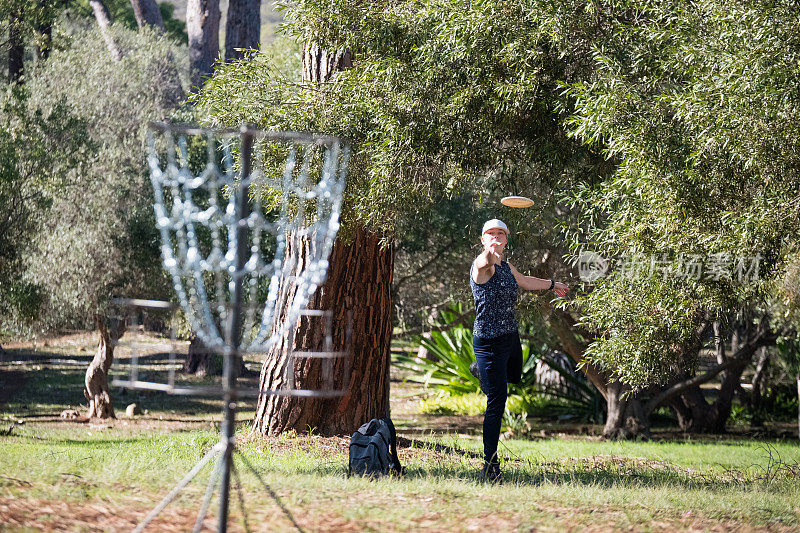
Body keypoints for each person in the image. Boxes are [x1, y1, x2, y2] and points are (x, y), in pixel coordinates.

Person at [470, 218, 569, 482]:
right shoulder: (484, 266)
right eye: (490, 233)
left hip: (510, 338)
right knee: (496, 403)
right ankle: (490, 466)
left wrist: (551, 284)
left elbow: (524, 281)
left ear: (507, 238)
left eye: (500, 233)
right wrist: (488, 255)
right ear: (483, 239)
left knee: (514, 377)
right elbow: (484, 263)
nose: (496, 236)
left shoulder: (506, 265)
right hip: (489, 342)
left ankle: (483, 373)